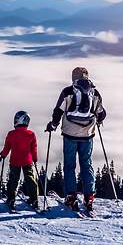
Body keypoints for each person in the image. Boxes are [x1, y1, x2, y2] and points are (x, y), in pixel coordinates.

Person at [45, 67, 106, 212]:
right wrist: (97, 119)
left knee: (69, 166)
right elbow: (101, 114)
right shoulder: (95, 92)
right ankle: (89, 196)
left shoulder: (68, 91)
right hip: (88, 135)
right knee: (86, 164)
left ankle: (71, 196)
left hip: (69, 134)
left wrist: (53, 124)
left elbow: (58, 110)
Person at [0, 111, 40, 211]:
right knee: (30, 179)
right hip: (27, 160)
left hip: (15, 161)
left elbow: (7, 147)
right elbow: (33, 148)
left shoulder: (11, 134)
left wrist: (3, 155)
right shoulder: (31, 134)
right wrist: (35, 158)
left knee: (13, 180)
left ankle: (11, 199)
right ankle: (34, 199)